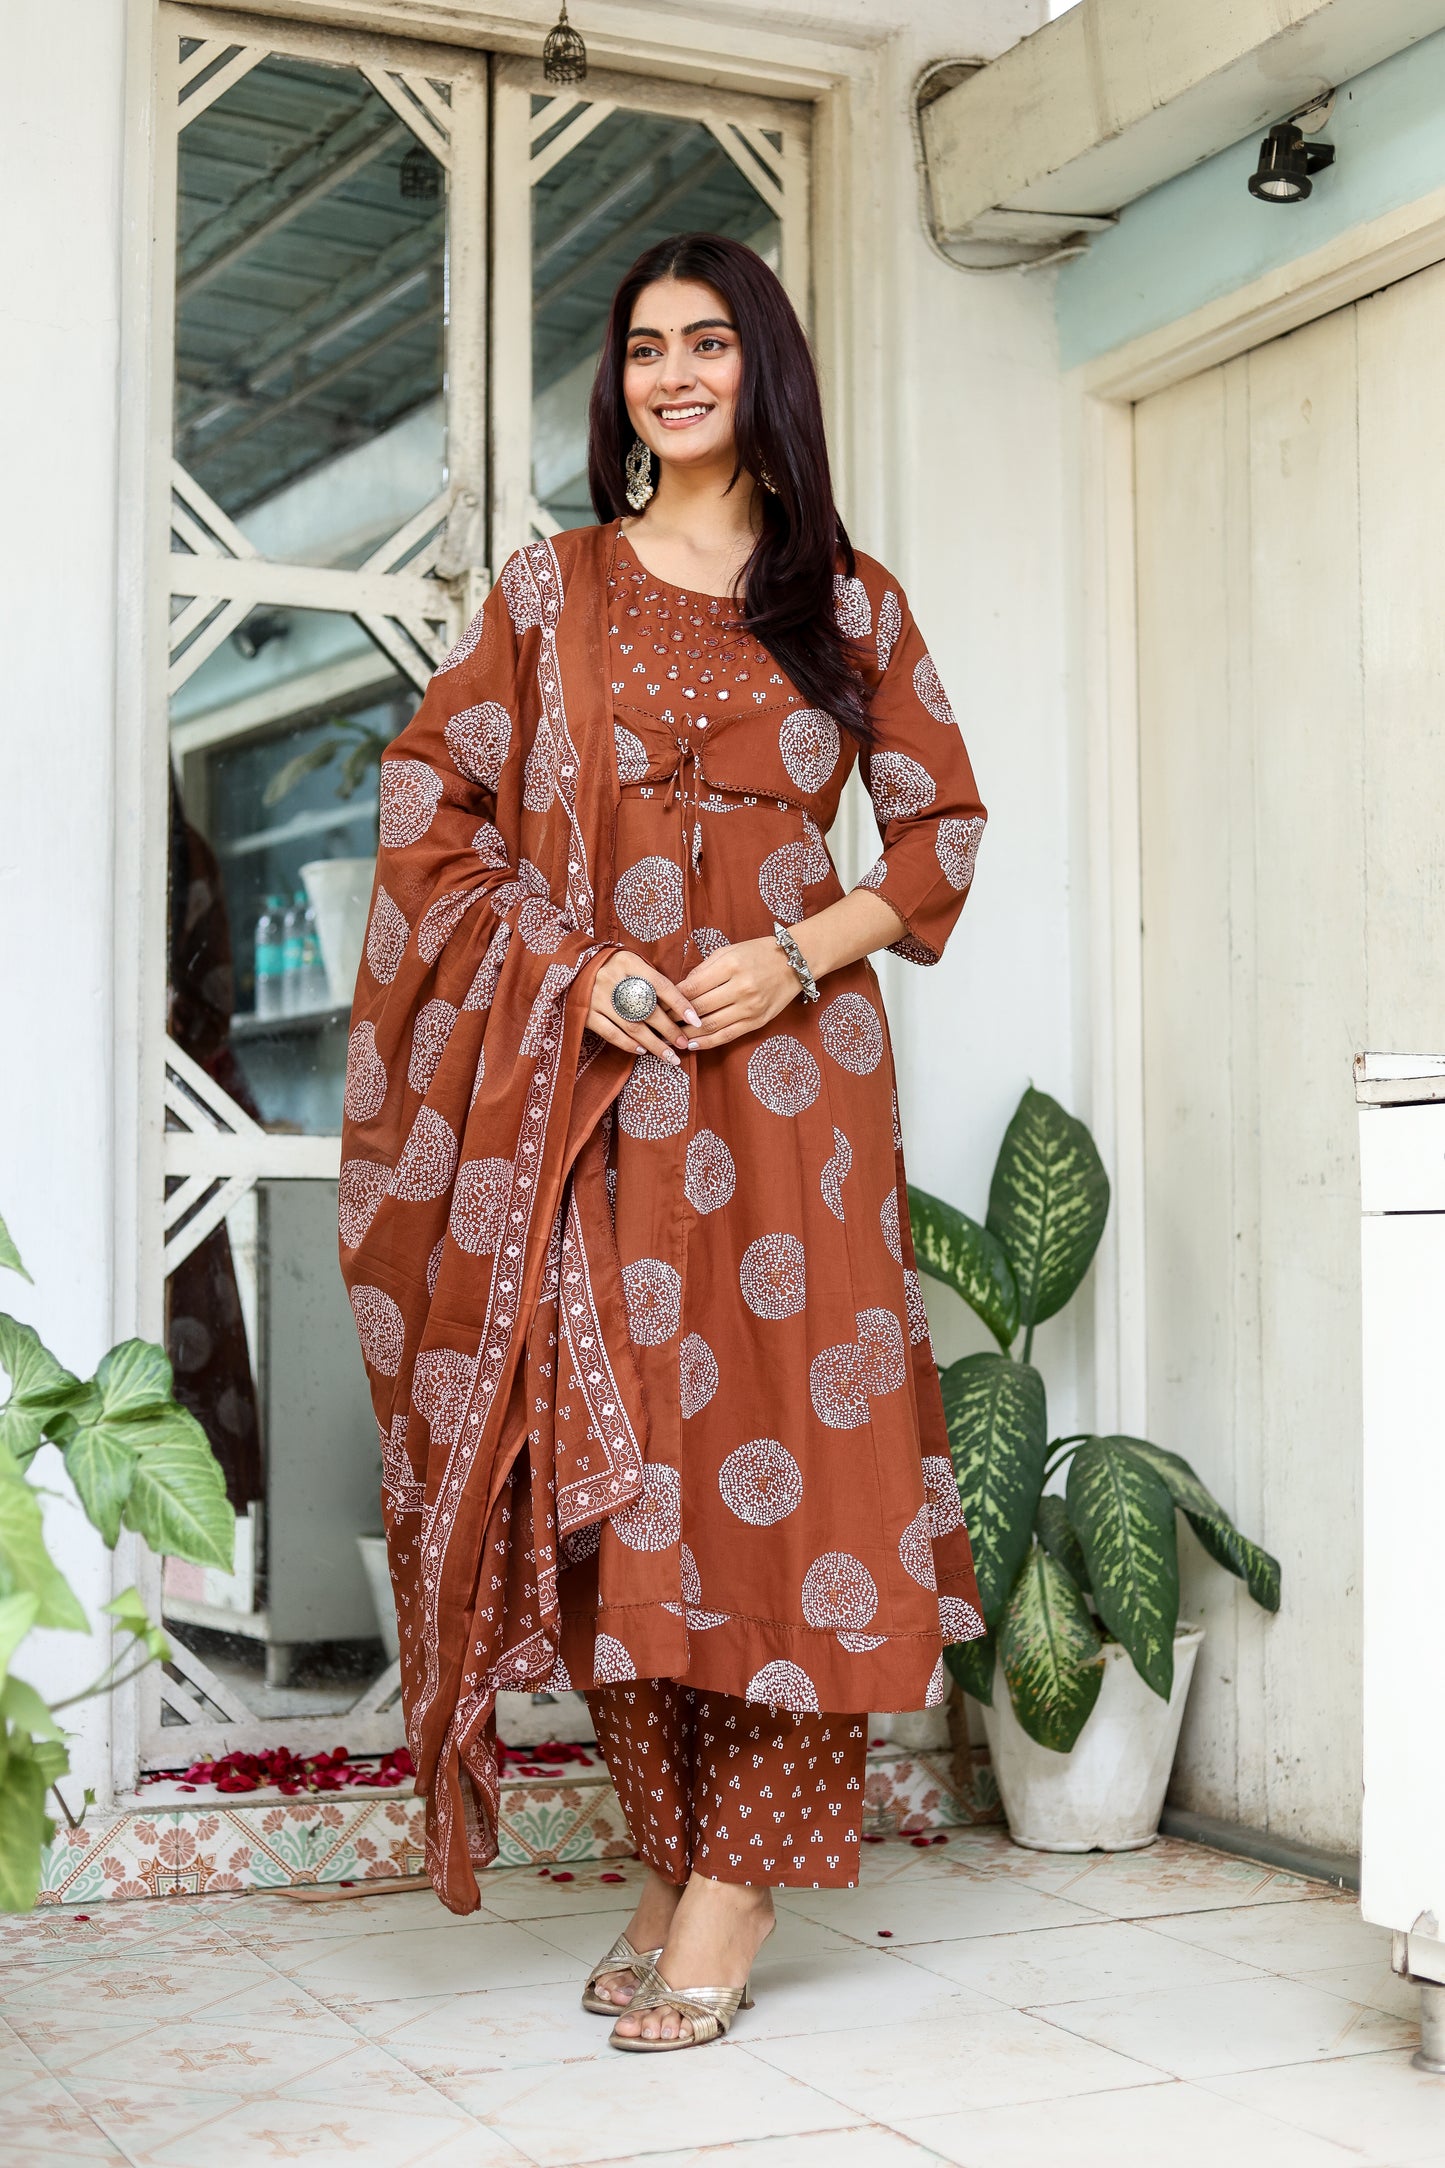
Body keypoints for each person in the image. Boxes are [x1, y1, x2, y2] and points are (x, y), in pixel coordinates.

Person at [338, 231, 988, 2053]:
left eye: (708, 344)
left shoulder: (845, 601)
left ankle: (737, 1883)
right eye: (643, 349)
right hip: (599, 1099)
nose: (674, 375)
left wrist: (787, 955)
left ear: (758, 365)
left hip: (793, 1111)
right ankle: (666, 1851)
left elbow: (935, 841)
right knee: (615, 1489)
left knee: (798, 1485)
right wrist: (580, 968)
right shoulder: (550, 597)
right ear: (615, 384)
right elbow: (427, 804)